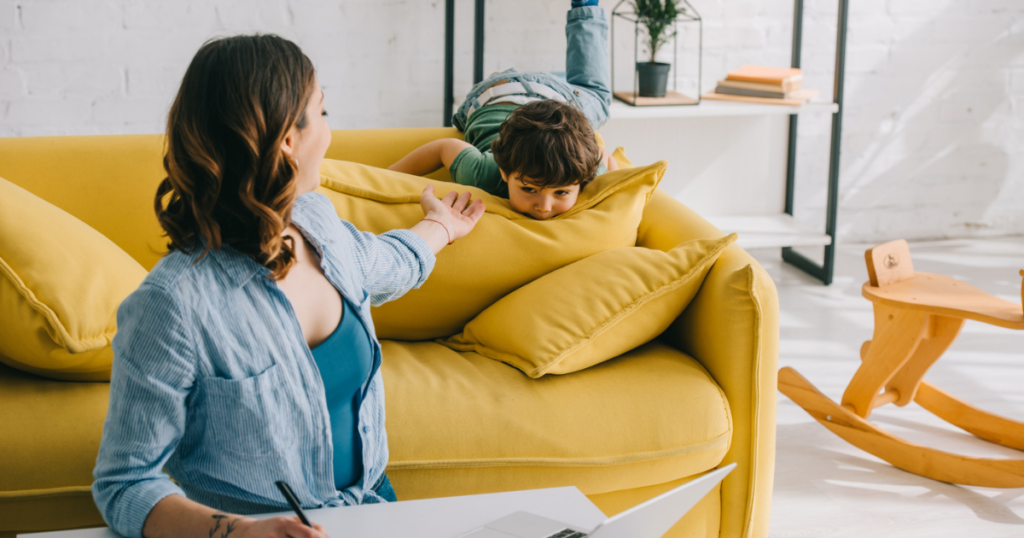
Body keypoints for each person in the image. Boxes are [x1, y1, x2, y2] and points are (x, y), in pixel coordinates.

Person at [91, 34, 485, 538]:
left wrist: (441, 228)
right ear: (286, 140)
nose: (329, 130)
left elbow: (380, 263)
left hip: (374, 508)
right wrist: (243, 533)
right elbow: (124, 484)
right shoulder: (171, 306)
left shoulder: (317, 221)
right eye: (322, 112)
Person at [387, 0, 618, 221]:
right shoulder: (484, 173)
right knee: (598, 98)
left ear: (581, 179)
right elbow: (443, 149)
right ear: (504, 173)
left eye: (561, 192)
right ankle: (586, 7)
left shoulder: (586, 171)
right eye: (528, 188)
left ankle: (586, 10)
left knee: (593, 97)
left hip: (537, 93)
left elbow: (600, 155)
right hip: (504, 90)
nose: (543, 207)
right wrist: (385, 178)